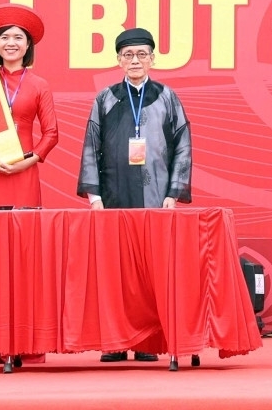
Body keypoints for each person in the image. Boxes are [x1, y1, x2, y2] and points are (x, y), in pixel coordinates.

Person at [76, 27, 193, 363]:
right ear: (118, 60)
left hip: (156, 195)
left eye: (142, 54)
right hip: (113, 195)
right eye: (128, 55)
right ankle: (114, 341)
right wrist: (94, 195)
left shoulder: (168, 97)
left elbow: (182, 147)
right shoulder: (105, 98)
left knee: (150, 269)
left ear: (153, 59)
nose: (135, 60)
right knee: (114, 269)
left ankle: (147, 342)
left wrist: (174, 192)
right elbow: (91, 147)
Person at [0, 3, 60, 364]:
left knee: (24, 256)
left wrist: (26, 162)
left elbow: (51, 134)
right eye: (4, 37)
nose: (11, 43)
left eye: (18, 38)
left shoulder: (39, 85)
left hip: (22, 175)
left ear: (28, 46)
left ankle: (26, 343)